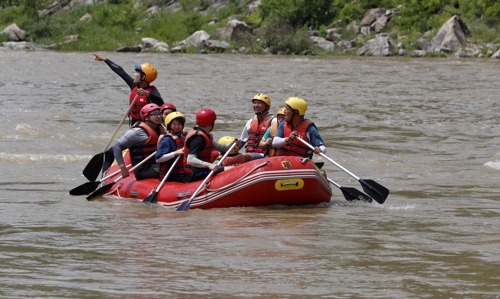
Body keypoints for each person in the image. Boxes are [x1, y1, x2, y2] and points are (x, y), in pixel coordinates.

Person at [92, 54, 164, 125]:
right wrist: (105, 59)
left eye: (138, 72)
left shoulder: (152, 91)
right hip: (134, 123)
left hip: (147, 125)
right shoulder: (133, 85)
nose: (135, 74)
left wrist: (148, 94)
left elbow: (161, 102)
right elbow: (120, 71)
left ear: (143, 77)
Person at [103, 104, 165, 180]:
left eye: (159, 114)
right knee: (167, 170)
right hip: (143, 169)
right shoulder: (137, 132)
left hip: (156, 164)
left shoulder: (162, 129)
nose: (158, 116)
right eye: (154, 114)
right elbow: (116, 147)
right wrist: (122, 166)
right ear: (146, 117)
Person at [183, 108, 238, 182]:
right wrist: (209, 165)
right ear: (211, 123)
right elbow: (190, 160)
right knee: (234, 169)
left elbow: (221, 148)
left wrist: (233, 144)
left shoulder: (205, 135)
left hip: (202, 170)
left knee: (234, 167)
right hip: (195, 174)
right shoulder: (198, 139)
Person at [240, 93, 275, 159]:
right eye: (255, 103)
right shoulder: (250, 122)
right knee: (231, 157)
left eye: (259, 103)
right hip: (249, 154)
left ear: (267, 107)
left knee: (241, 156)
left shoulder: (274, 121)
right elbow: (242, 142)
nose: (256, 105)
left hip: (264, 156)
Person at [156, 112, 186, 182]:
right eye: (174, 124)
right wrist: (175, 153)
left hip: (182, 171)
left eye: (179, 124)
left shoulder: (182, 137)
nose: (177, 126)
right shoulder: (167, 140)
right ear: (169, 125)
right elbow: (158, 159)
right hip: (173, 173)